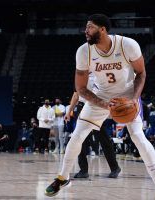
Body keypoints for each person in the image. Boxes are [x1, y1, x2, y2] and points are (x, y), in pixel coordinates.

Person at [45, 14, 155, 197]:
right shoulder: (83, 51)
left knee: (137, 136)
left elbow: (141, 74)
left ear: (102, 29)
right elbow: (80, 88)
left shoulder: (127, 45)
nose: (85, 31)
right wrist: (104, 104)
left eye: (90, 27)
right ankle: (63, 177)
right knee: (77, 135)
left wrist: (134, 99)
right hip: (100, 95)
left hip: (128, 93)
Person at [65, 86, 121, 179]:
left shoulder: (97, 74)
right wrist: (69, 111)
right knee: (80, 140)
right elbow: (76, 95)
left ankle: (114, 167)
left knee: (103, 139)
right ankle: (83, 170)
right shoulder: (80, 74)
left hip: (95, 108)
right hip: (82, 107)